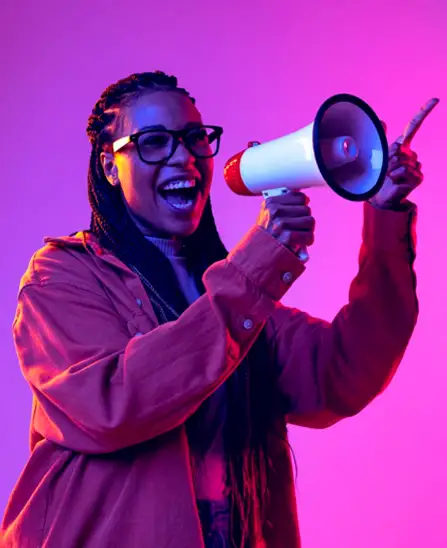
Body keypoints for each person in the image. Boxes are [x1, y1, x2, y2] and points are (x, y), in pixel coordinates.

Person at [0, 71, 432, 548]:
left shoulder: (233, 291)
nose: (183, 157)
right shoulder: (62, 276)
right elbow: (114, 405)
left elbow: (344, 373)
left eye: (194, 138)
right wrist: (257, 266)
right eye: (154, 142)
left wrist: (385, 213)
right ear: (109, 166)